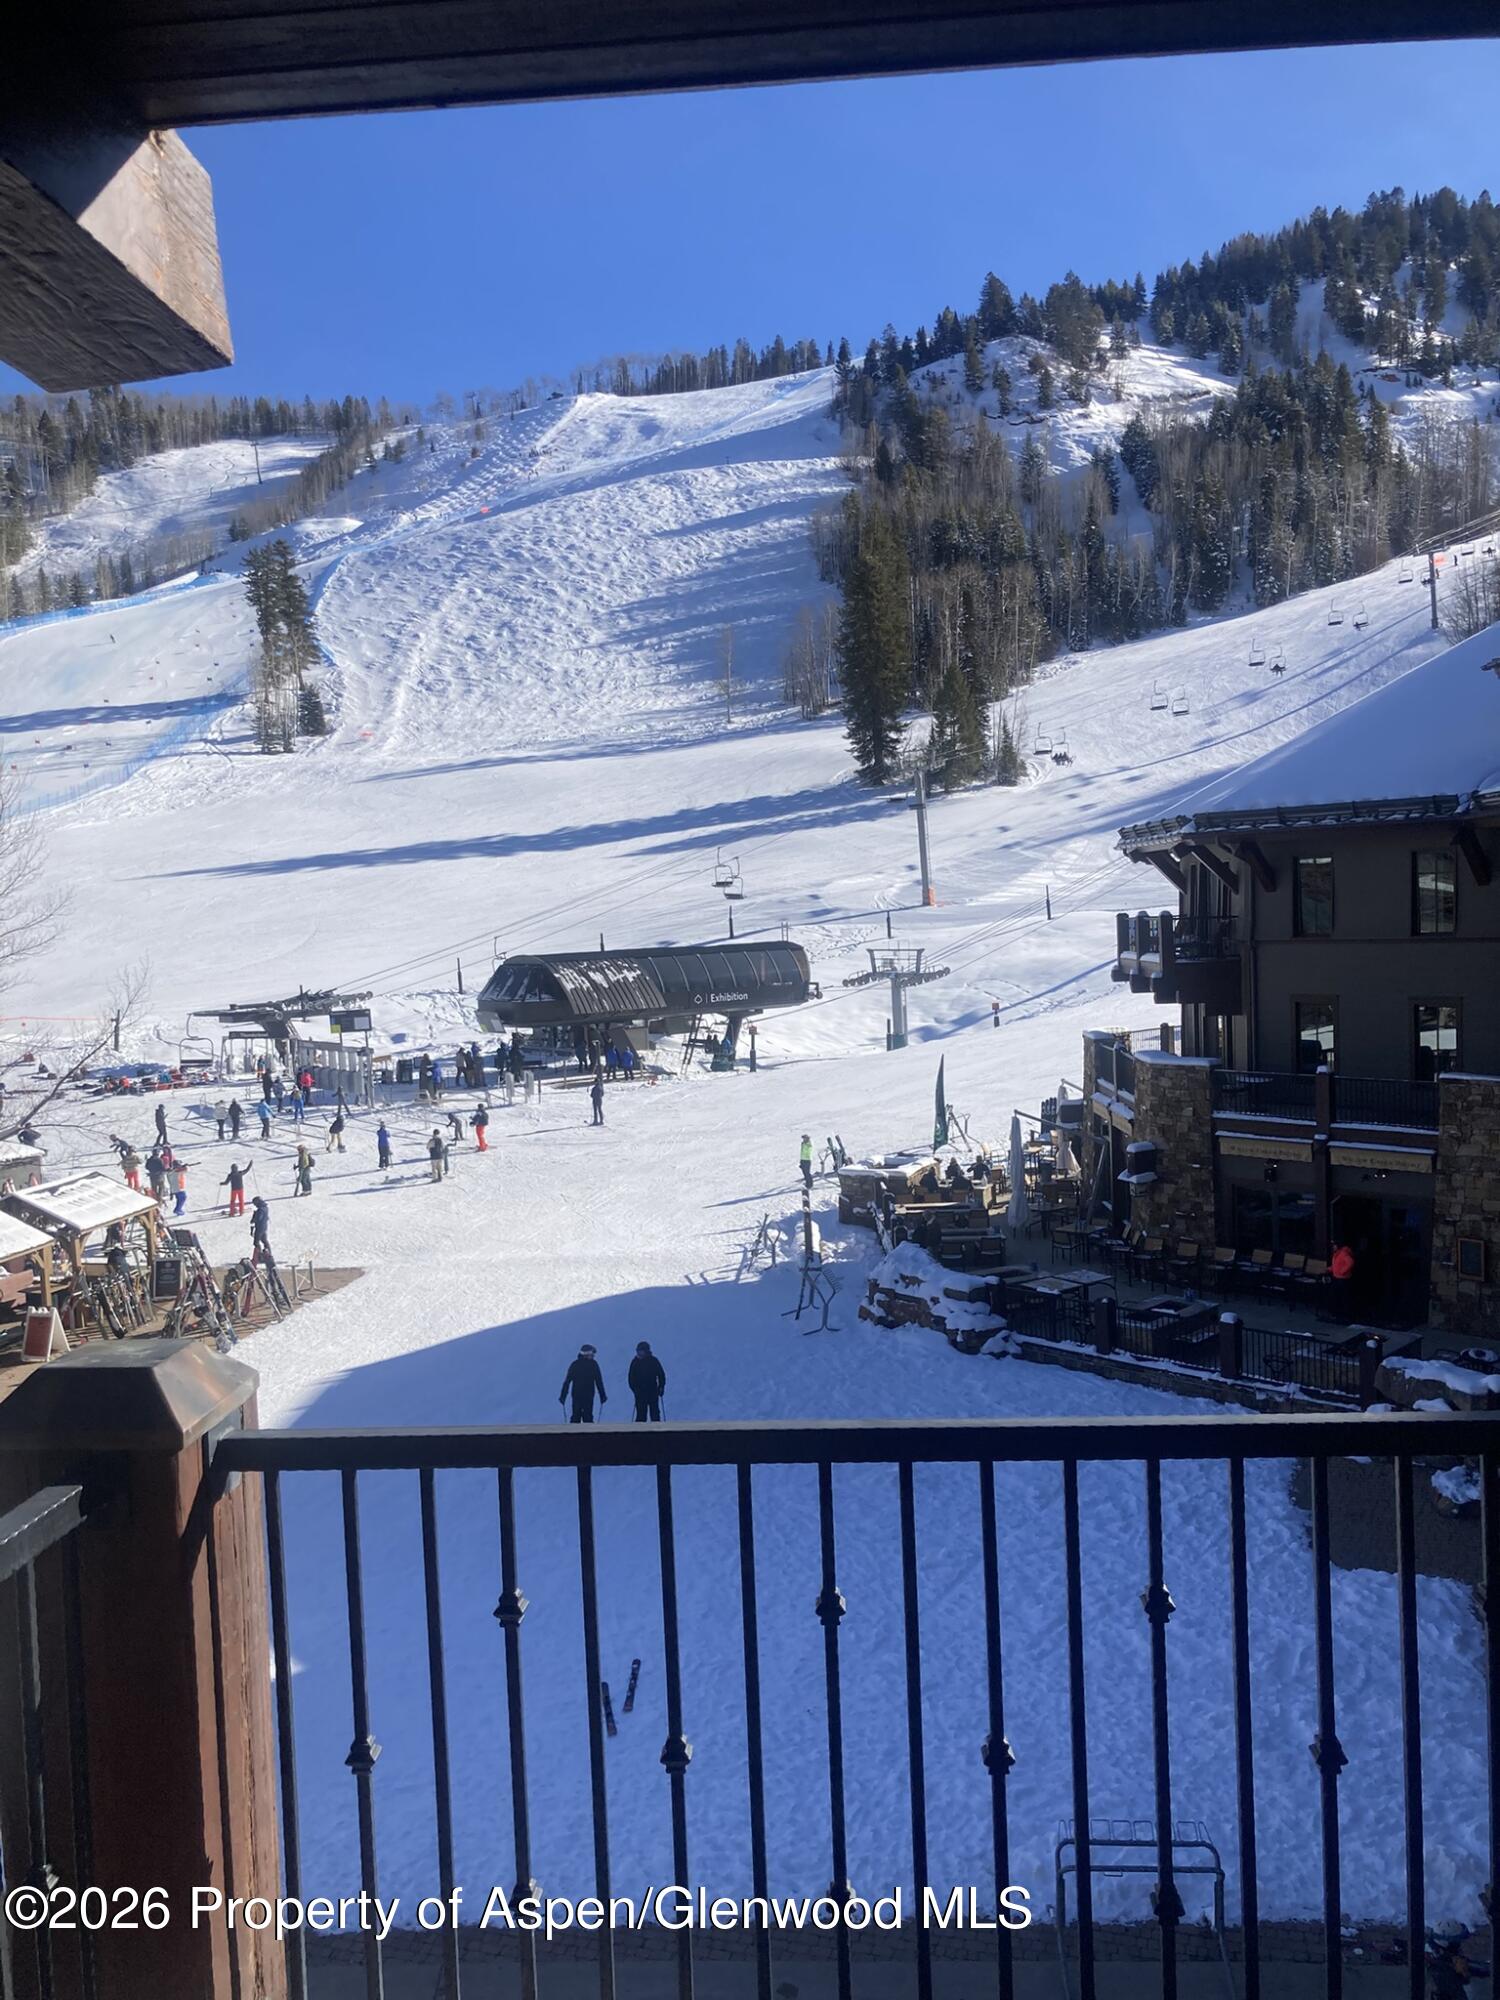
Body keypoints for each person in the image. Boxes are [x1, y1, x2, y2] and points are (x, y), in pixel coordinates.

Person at [559, 1345, 607, 1423]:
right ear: (587, 1354)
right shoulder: (593, 1365)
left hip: (576, 1395)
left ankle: (574, 1434)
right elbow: (599, 1382)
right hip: (588, 1396)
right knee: (588, 1418)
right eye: (592, 1354)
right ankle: (588, 1435)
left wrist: (563, 1396)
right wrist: (602, 1396)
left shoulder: (575, 1365)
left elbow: (567, 1382)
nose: (593, 1356)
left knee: (575, 1417)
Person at [628, 1341, 666, 1422]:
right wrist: (635, 1390)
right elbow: (631, 1379)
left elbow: (661, 1375)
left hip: (653, 1391)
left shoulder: (653, 1361)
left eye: (641, 1351)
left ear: (646, 1351)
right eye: (638, 1351)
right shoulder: (635, 1362)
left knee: (655, 1414)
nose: (639, 1353)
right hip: (640, 1393)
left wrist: (661, 1387)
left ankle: (656, 1432)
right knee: (641, 1416)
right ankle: (639, 1434)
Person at [249, 1196, 271, 1261]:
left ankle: (260, 1256)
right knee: (264, 1241)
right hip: (264, 1227)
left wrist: (254, 1217)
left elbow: (258, 1219)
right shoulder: (265, 1208)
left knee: (256, 1242)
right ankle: (269, 1254)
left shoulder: (260, 1210)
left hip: (259, 1228)